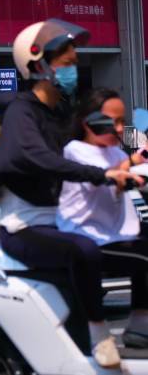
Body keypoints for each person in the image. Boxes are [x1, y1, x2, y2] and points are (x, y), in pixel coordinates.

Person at [0, 19, 141, 368]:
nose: (73, 69)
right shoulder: (22, 112)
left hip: (65, 221)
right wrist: (100, 175)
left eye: (74, 62)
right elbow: (30, 157)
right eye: (66, 63)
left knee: (142, 242)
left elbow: (87, 148)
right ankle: (99, 335)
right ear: (39, 65)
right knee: (83, 251)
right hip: (25, 227)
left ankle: (140, 330)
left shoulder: (64, 112)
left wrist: (128, 163)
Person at [57, 88, 148, 351]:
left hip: (117, 234)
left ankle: (140, 325)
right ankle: (120, 330)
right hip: (87, 237)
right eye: (113, 121)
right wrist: (131, 165)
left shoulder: (116, 153)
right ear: (89, 121)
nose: (119, 129)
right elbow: (104, 177)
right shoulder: (74, 151)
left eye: (122, 121)